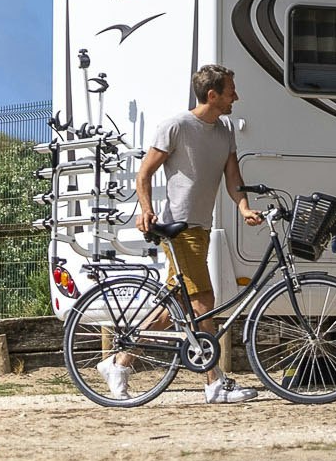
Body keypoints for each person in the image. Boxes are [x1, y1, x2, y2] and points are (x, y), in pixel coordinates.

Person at [97, 64, 265, 404]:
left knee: (174, 306)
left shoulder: (225, 130)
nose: (236, 97)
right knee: (203, 302)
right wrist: (146, 210)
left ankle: (118, 362)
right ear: (213, 95)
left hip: (201, 228)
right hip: (180, 228)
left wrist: (244, 207)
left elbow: (233, 177)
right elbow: (144, 174)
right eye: (231, 91)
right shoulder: (176, 126)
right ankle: (214, 382)